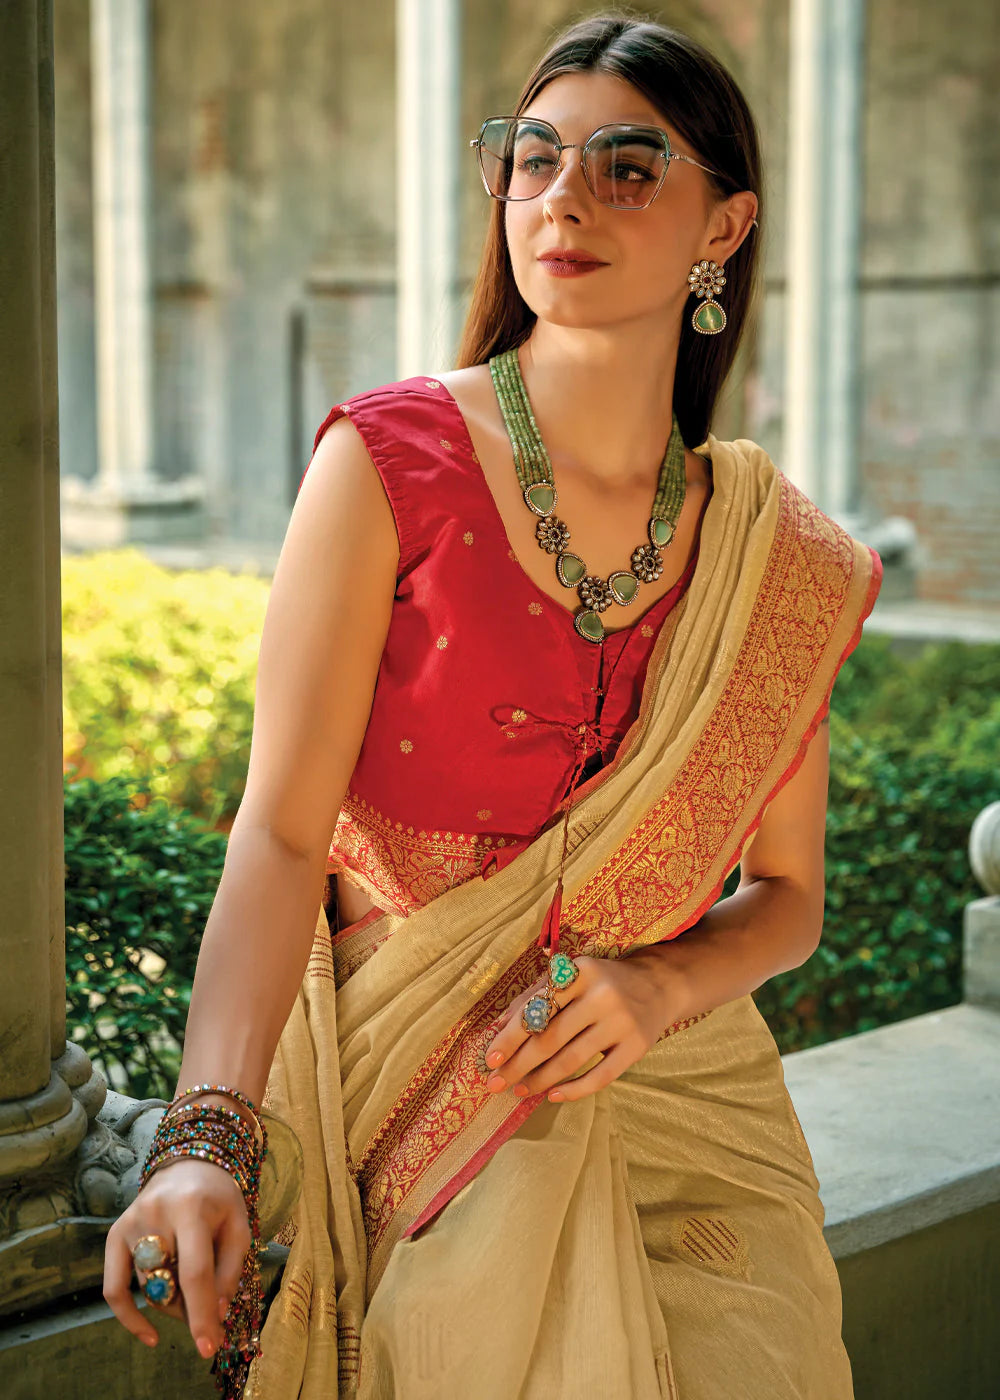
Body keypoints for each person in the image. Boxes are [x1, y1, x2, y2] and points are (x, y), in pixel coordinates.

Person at [103, 11, 882, 1398]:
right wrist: (202, 1141)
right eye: (531, 159)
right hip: (425, 1108)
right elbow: (280, 837)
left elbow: (788, 896)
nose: (563, 197)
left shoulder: (777, 557)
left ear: (726, 225)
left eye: (628, 166)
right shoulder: (389, 464)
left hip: (688, 1109)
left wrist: (657, 985)